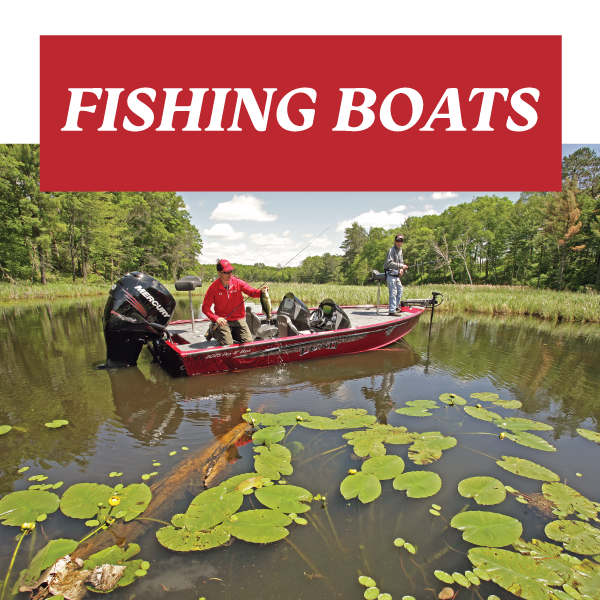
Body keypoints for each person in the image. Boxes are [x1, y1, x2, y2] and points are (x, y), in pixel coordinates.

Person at [201, 259, 269, 346]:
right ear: (219, 273)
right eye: (226, 272)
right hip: (223, 320)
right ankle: (213, 329)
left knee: (248, 342)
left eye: (231, 271)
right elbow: (205, 307)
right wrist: (216, 318)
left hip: (238, 318)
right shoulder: (213, 288)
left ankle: (229, 333)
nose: (230, 274)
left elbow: (250, 291)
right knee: (228, 344)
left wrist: (262, 292)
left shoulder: (237, 282)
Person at [384, 234, 408, 316]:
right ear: (395, 241)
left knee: (400, 289)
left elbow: (401, 262)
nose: (399, 242)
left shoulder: (400, 251)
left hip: (396, 274)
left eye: (401, 241)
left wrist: (401, 270)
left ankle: (396, 307)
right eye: (398, 241)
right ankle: (391, 310)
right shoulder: (391, 250)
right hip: (390, 273)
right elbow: (389, 263)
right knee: (393, 292)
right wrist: (401, 266)